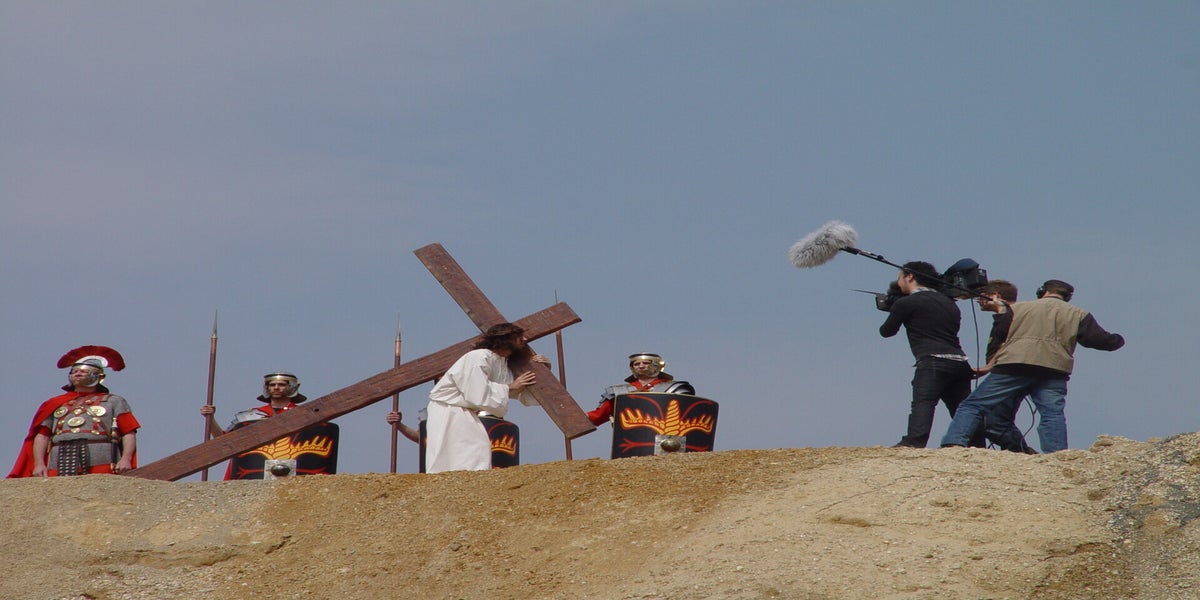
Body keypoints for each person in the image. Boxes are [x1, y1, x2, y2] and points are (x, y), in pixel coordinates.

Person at [941, 279, 1125, 452]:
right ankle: (1057, 454)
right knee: (1052, 414)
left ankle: (954, 442)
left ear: (1042, 292)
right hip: (1054, 369)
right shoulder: (1079, 314)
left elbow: (999, 336)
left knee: (974, 405)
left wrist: (990, 363)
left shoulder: (1017, 308)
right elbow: (1100, 341)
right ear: (1067, 297)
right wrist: (1118, 339)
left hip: (1014, 365)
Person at [423, 323, 549, 473]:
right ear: (506, 339)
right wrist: (510, 387)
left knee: (477, 450)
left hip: (464, 412)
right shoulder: (479, 357)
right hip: (448, 409)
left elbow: (519, 391)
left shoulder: (502, 364)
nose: (525, 339)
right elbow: (476, 391)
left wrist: (543, 371)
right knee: (462, 452)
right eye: (518, 337)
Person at [879, 262, 979, 448]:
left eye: (900, 278)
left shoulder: (906, 303)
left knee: (923, 403)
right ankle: (977, 444)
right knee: (962, 408)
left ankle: (914, 441)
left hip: (932, 361)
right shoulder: (950, 303)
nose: (898, 282)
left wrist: (894, 308)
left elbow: (886, 331)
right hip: (960, 363)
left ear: (909, 276)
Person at [8, 345, 140, 478]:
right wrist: (39, 464)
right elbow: (42, 436)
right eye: (74, 371)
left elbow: (128, 432)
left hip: (101, 456)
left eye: (84, 371)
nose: (77, 374)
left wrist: (126, 459)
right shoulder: (54, 403)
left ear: (98, 376)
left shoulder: (114, 401)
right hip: (60, 456)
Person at [200, 371, 336, 479]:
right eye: (272, 385)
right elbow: (223, 440)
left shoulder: (305, 415)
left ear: (292, 387)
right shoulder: (250, 417)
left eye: (281, 384)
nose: (276, 387)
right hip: (255, 472)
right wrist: (211, 419)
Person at [587, 353, 695, 426]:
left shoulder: (675, 388)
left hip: (666, 436)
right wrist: (579, 418)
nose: (641, 366)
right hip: (630, 438)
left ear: (657, 365)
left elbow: (689, 416)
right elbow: (598, 415)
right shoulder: (618, 392)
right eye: (636, 364)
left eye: (646, 363)